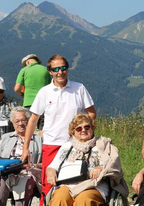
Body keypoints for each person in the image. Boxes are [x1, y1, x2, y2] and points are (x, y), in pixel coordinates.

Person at [20, 54, 96, 203]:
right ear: (50, 72)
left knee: (76, 183)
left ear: (68, 69)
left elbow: (92, 112)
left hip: (76, 146)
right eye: (56, 69)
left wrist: (84, 130)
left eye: (63, 68)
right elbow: (33, 119)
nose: (60, 72)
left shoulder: (79, 88)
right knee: (49, 185)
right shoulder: (44, 92)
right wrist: (26, 148)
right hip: (52, 145)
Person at [46, 114, 128, 206]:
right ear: (73, 131)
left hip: (93, 186)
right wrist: (51, 174)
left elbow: (114, 165)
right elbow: (52, 167)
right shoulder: (66, 147)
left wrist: (101, 168)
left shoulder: (102, 145)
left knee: (84, 199)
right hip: (66, 185)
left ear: (92, 128)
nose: (83, 130)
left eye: (87, 127)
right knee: (60, 198)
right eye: (79, 128)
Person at [0, 106, 42, 206]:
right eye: (17, 121)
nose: (20, 124)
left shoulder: (39, 140)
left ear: (29, 121)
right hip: (5, 173)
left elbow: (47, 163)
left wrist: (34, 165)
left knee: (21, 193)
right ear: (13, 123)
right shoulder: (5, 138)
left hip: (27, 173)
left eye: (23, 120)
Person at [14, 54, 51, 132]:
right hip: (44, 104)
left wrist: (22, 94)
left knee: (29, 130)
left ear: (27, 62)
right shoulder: (46, 70)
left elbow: (16, 88)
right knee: (43, 129)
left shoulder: (24, 70)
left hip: (29, 104)